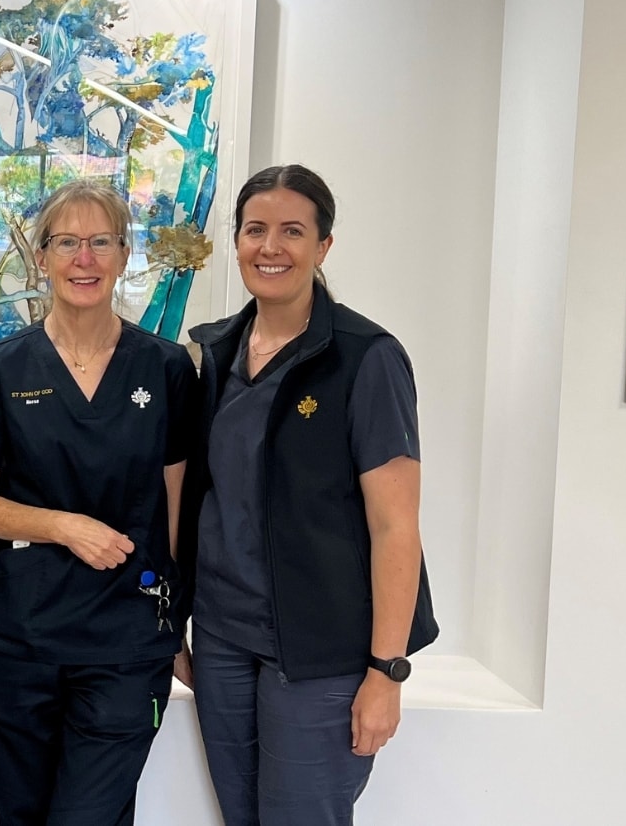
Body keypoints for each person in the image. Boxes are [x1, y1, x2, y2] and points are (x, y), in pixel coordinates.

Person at [180, 164, 439, 826]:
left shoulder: (365, 358)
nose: (271, 247)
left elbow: (395, 526)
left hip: (323, 651)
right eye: (255, 230)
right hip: (223, 639)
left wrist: (386, 671)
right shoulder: (218, 353)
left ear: (323, 246)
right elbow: (200, 499)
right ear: (237, 242)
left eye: (292, 231)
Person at [0, 180, 199, 826]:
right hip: (20, 639)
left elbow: (178, 505)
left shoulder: (166, 368)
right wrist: (64, 527)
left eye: (100, 242)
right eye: (66, 243)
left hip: (126, 640)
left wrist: (178, 622)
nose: (83, 259)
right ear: (41, 257)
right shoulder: (3, 368)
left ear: (124, 255)